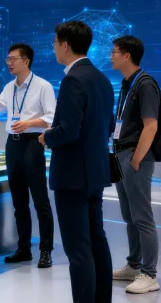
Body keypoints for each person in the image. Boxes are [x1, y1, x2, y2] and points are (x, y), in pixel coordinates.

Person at [39, 21, 114, 303]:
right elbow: (108, 126)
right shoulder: (102, 78)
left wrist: (47, 136)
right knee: (97, 241)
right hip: (95, 172)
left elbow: (69, 130)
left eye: (55, 43)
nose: (54, 48)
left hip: (72, 175)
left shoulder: (73, 79)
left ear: (65, 45)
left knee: (78, 249)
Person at [0, 43, 55, 269]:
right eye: (8, 59)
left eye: (13, 59)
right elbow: (1, 109)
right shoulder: (9, 86)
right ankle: (23, 248)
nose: (9, 63)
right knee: (19, 201)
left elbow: (52, 117)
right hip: (12, 144)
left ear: (26, 61)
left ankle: (46, 250)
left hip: (32, 142)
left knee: (40, 200)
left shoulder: (43, 86)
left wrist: (29, 123)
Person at [111, 35, 160, 294]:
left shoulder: (145, 84)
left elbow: (150, 126)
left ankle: (149, 274)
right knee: (129, 215)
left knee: (142, 216)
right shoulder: (126, 84)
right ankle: (134, 264)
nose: (111, 56)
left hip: (134, 155)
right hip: (121, 153)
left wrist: (137, 159)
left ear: (127, 55)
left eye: (114, 52)